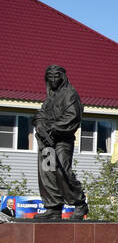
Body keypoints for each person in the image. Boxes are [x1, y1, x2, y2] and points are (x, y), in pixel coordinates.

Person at [32, 65, 89, 221]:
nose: (53, 79)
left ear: (62, 77)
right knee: (47, 172)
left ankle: (79, 203)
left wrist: (52, 128)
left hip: (62, 141)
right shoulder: (51, 97)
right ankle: (53, 207)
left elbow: (72, 117)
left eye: (56, 76)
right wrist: (39, 123)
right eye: (50, 76)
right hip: (47, 142)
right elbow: (41, 113)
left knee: (62, 171)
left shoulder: (70, 94)